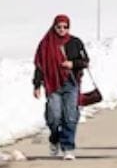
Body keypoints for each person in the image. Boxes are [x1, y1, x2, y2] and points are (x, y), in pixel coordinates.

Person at [32, 14, 91, 160]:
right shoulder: (45, 44)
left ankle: (68, 147)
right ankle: (54, 138)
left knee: (70, 115)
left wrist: (73, 64)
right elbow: (40, 66)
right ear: (54, 26)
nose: (62, 30)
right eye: (59, 27)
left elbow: (85, 61)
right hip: (52, 84)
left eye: (65, 27)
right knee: (54, 116)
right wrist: (37, 84)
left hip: (71, 83)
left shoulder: (75, 42)